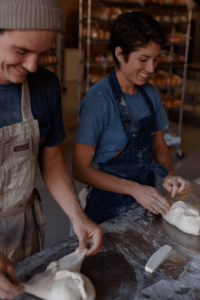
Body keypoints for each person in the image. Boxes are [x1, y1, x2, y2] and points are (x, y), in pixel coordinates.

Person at [0, 0, 103, 298]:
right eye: (21, 51)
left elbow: (53, 157)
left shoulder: (45, 86)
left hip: (23, 231)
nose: (32, 65)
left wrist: (76, 213)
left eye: (43, 53)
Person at [72, 11, 190, 225]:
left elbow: (159, 143)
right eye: (143, 59)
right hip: (107, 211)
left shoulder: (150, 94)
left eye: (155, 60)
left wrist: (169, 174)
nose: (151, 69)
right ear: (119, 53)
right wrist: (134, 189)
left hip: (145, 203)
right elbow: (80, 169)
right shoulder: (99, 100)